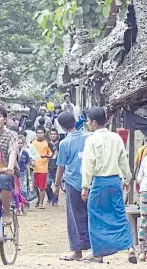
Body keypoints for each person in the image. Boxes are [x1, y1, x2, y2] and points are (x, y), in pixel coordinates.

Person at [81, 107, 136, 264]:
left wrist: (85, 186)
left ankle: (98, 253)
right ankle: (130, 247)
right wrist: (127, 179)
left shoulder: (91, 140)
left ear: (93, 122)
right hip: (115, 181)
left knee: (95, 216)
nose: (87, 123)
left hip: (99, 182)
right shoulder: (116, 138)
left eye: (88, 120)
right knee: (119, 214)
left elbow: (88, 164)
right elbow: (123, 160)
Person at [54, 111, 91, 261]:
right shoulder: (89, 137)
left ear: (62, 127)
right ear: (75, 121)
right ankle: (96, 249)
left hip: (73, 182)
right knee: (91, 215)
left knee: (75, 218)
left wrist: (56, 185)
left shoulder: (64, 143)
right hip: (90, 182)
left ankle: (77, 251)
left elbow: (60, 167)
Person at [32, 126, 55, 209]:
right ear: (36, 133)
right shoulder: (32, 142)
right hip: (33, 168)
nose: (39, 134)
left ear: (44, 133)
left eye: (41, 133)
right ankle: (38, 199)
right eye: (38, 133)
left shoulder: (47, 143)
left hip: (43, 168)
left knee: (42, 187)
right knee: (34, 186)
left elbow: (52, 153)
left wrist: (47, 156)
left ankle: (41, 203)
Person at [46, 128, 59, 205]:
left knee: (56, 184)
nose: (53, 136)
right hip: (47, 166)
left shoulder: (60, 144)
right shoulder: (47, 144)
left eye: (54, 134)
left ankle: (55, 200)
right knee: (47, 184)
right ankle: (50, 196)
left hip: (57, 167)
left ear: (57, 135)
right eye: (52, 134)